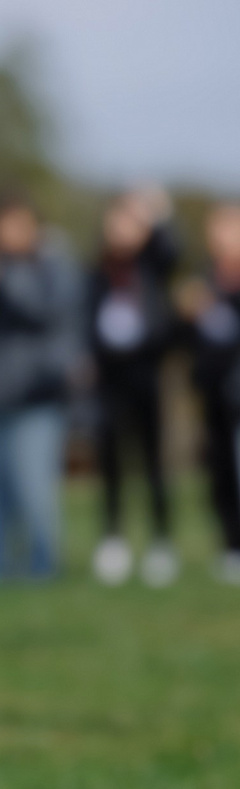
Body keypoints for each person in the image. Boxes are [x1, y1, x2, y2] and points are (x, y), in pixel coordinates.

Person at [0, 194, 82, 585]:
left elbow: (44, 311)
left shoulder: (51, 267)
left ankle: (42, 570)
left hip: (34, 400)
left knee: (33, 491)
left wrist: (1, 279)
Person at [85, 187, 182, 587]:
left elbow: (172, 249)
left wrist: (156, 215)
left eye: (130, 223)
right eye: (116, 222)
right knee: (110, 462)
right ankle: (113, 540)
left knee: (153, 462)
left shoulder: (152, 264)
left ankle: (161, 542)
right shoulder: (98, 270)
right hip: (109, 378)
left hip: (146, 373)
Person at [183, 201, 240, 587]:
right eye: (215, 228)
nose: (220, 236)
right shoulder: (204, 279)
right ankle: (232, 546)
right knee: (221, 472)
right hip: (214, 392)